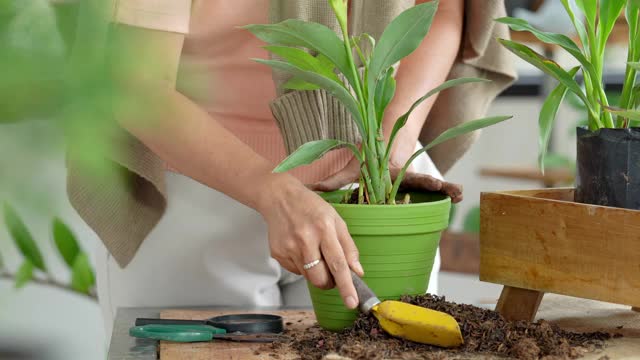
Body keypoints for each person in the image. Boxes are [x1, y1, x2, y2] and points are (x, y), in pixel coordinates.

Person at [66, 0, 516, 339]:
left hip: (371, 190)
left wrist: (388, 144)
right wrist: (275, 193)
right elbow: (136, 84)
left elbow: (435, 13)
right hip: (197, 185)